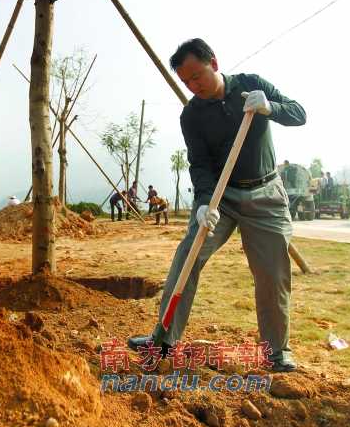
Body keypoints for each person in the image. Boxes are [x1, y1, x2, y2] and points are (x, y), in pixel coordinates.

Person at [128, 38, 306, 374]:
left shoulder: (251, 85)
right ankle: (163, 341)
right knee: (188, 257)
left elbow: (299, 113)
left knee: (272, 274)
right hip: (221, 198)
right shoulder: (191, 116)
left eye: (197, 76)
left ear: (214, 62)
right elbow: (200, 165)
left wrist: (271, 107)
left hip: (266, 195)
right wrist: (203, 204)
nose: (194, 86)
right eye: (186, 82)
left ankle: (276, 350)